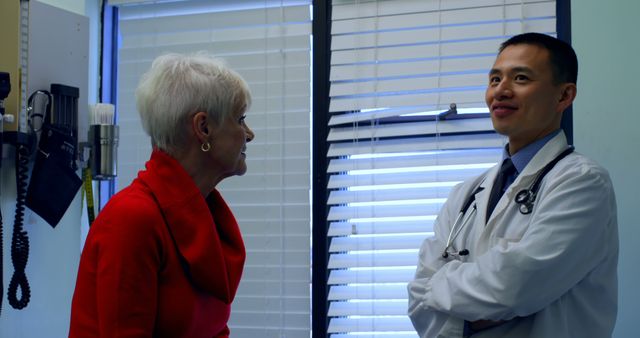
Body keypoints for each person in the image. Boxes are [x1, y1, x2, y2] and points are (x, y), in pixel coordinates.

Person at [407, 32, 618, 337]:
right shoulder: (465, 193)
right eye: (494, 80)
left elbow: (515, 287)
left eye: (520, 78)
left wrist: (443, 293)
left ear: (564, 96)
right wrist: (473, 309)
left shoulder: (582, 182)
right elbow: (418, 298)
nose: (501, 91)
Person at [69, 52, 255, 337]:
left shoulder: (208, 215)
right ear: (203, 128)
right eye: (240, 119)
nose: (249, 134)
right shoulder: (131, 220)